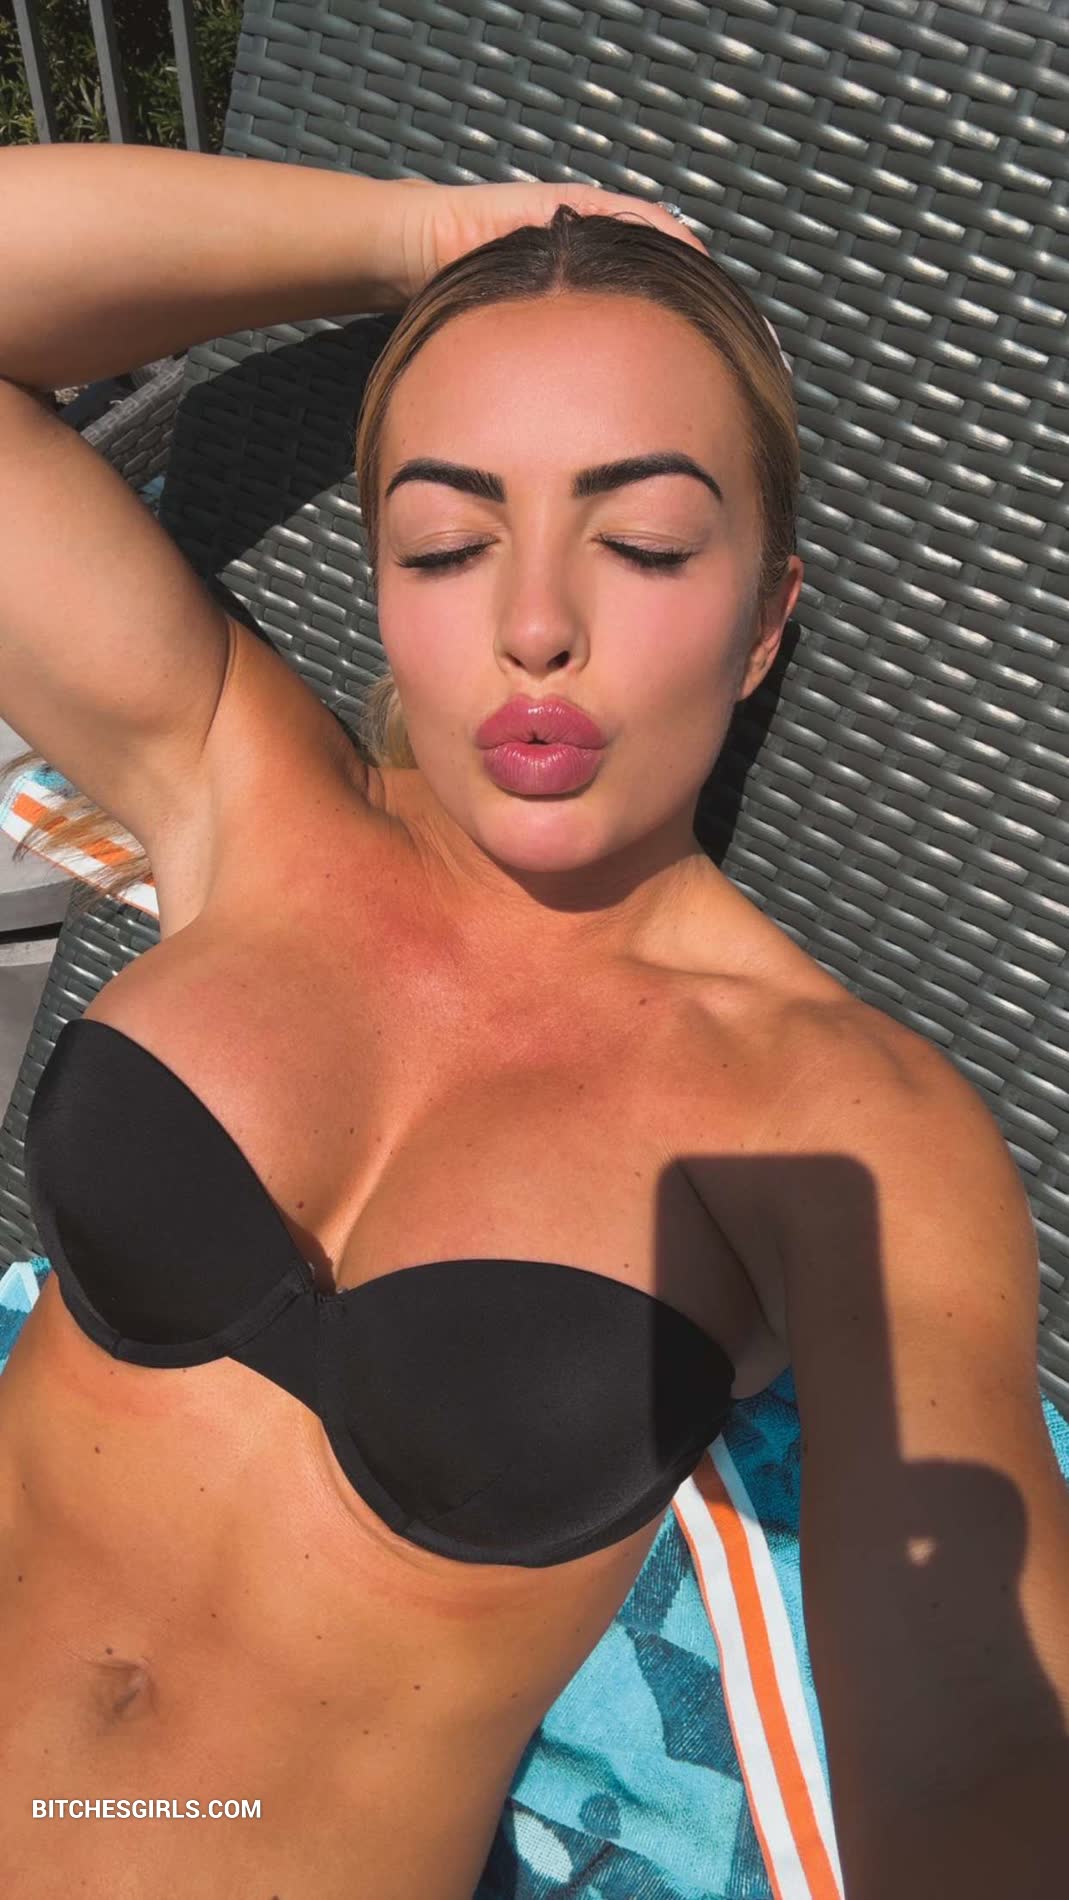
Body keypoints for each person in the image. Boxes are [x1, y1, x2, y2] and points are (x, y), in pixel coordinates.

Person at [3, 144, 1067, 1900]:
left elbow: (975, 1743)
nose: (534, 628)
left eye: (640, 544)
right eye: (447, 541)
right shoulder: (243, 793)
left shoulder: (837, 1123)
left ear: (763, 623)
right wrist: (418, 236)